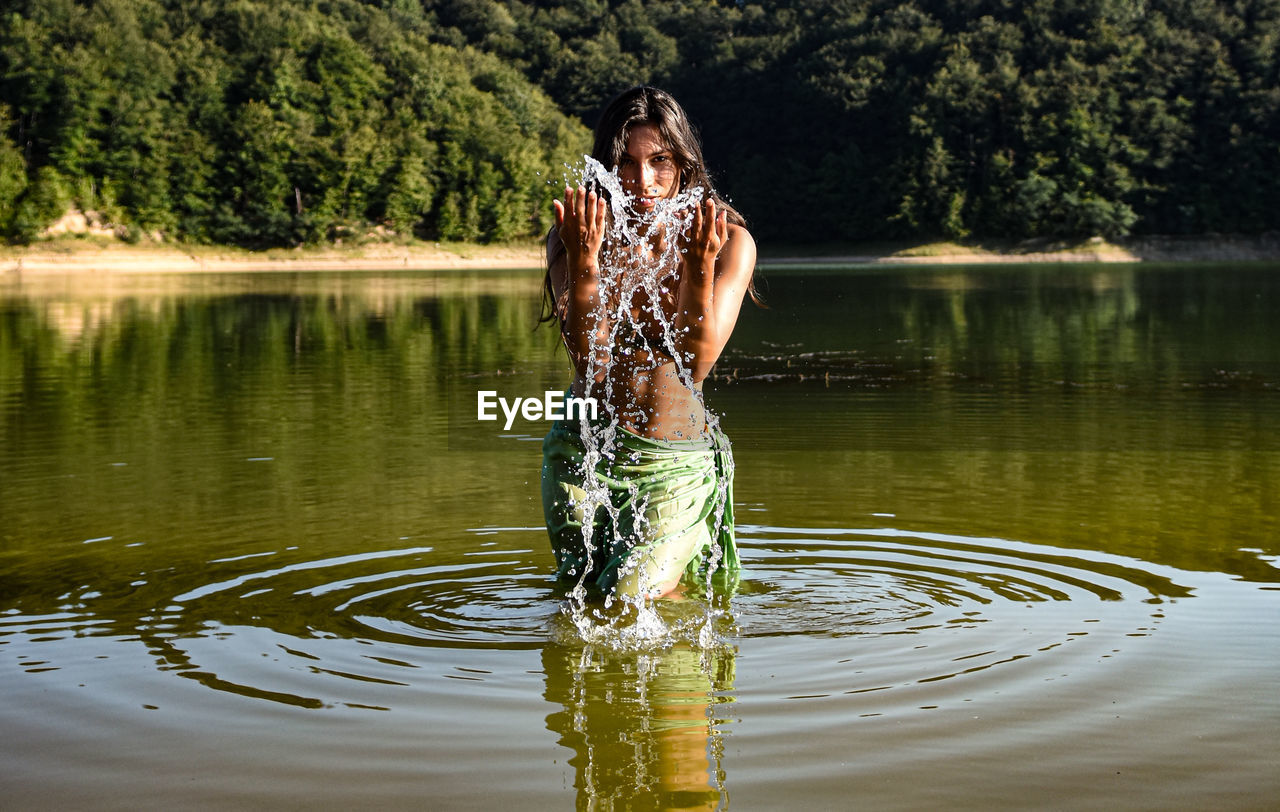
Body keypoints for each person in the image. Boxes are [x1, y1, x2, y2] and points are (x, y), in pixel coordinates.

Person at [540, 86, 758, 600]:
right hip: (583, 449)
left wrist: (699, 266)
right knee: (584, 599)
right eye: (626, 162)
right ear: (605, 166)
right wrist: (585, 262)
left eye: (660, 160)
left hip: (672, 460)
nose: (642, 181)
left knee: (636, 595)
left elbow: (695, 364)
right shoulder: (578, 233)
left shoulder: (726, 240)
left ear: (684, 161)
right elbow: (588, 359)